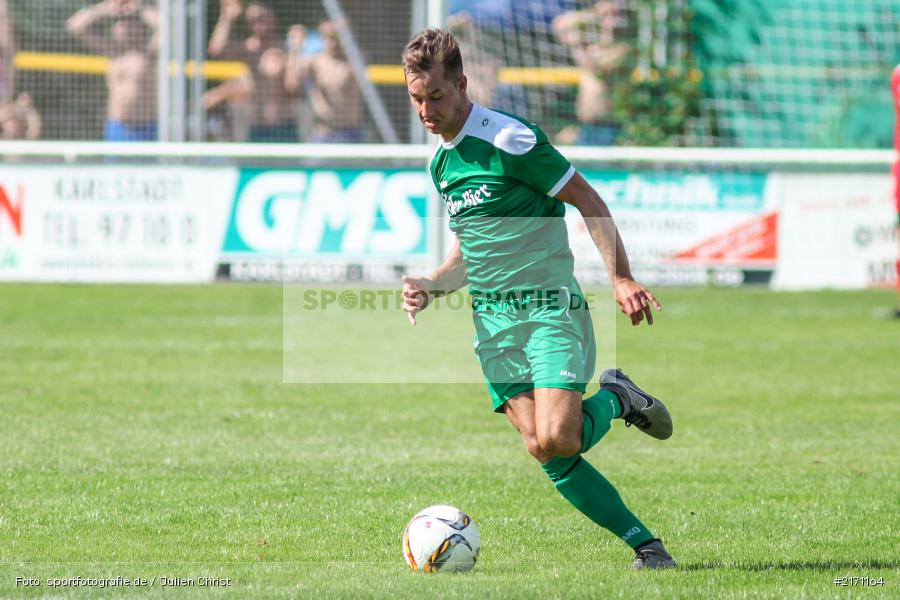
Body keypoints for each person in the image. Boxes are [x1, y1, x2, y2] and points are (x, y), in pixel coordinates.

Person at [400, 29, 676, 570]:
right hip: (493, 326)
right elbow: (471, 251)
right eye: (416, 98)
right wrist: (431, 285)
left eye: (436, 96)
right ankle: (648, 548)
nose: (426, 110)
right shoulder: (441, 165)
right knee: (540, 447)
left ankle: (617, 398)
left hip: (548, 309)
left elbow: (587, 198)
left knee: (559, 436)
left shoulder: (509, 139)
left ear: (462, 84)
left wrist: (621, 277)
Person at [67, 0, 159, 142]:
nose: (123, 28)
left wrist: (139, 8)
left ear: (139, 28)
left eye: (129, 23)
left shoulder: (149, 52)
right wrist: (106, 8)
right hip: (117, 127)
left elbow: (168, 28)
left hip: (146, 127)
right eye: (119, 23)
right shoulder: (112, 51)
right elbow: (74, 26)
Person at [208, 0, 298, 143]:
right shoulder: (248, 50)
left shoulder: (285, 49)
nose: (257, 24)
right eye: (252, 20)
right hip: (257, 127)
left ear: (272, 17)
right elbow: (216, 52)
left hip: (284, 126)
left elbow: (292, 88)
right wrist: (226, 18)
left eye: (261, 18)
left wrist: (293, 54)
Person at [552, 0, 629, 146]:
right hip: (586, 127)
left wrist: (578, 45)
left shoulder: (622, 49)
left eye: (615, 15)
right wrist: (593, 14)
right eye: (605, 16)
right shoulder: (591, 46)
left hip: (609, 128)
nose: (610, 21)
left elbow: (596, 65)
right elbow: (560, 24)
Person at [284, 21, 363, 143]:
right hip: (324, 133)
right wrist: (295, 49)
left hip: (350, 132)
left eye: (337, 37)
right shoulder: (316, 61)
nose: (333, 42)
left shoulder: (354, 61)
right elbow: (291, 85)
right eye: (328, 37)